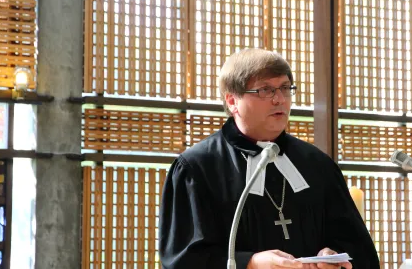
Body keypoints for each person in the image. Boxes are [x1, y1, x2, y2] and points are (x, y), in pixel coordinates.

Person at [159, 48, 380, 269]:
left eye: (285, 88)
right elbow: (184, 260)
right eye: (265, 90)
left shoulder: (318, 165)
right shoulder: (197, 168)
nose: (280, 100)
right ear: (232, 101)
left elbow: (360, 251)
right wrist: (250, 263)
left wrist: (334, 257)